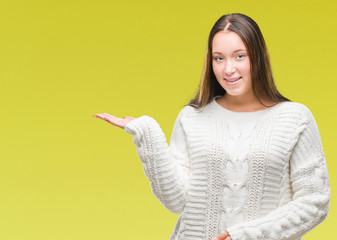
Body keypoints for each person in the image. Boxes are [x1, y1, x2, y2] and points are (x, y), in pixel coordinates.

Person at [93, 13, 330, 240]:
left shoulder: (295, 118)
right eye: (219, 58)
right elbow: (176, 200)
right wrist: (147, 133)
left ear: (257, 57)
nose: (228, 69)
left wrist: (244, 236)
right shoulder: (193, 117)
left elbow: (314, 202)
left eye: (240, 56)